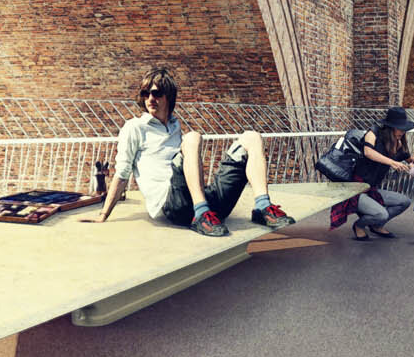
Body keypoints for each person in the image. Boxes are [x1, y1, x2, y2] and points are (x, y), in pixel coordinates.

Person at [97, 66, 297, 236]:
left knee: (251, 137)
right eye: (145, 94)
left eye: (156, 93)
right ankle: (201, 214)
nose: (150, 98)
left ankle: (262, 207)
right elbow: (122, 174)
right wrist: (103, 215)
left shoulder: (175, 125)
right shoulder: (134, 127)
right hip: (172, 204)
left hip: (201, 200)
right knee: (193, 137)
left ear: (168, 97)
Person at [325, 106, 414, 240]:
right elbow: (368, 152)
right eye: (399, 128)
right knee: (382, 214)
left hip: (371, 190)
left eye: (404, 129)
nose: (402, 132)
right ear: (390, 126)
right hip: (356, 190)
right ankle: (359, 226)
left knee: (404, 201)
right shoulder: (373, 133)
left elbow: (408, 158)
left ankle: (376, 226)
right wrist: (392, 162)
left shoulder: (396, 144)